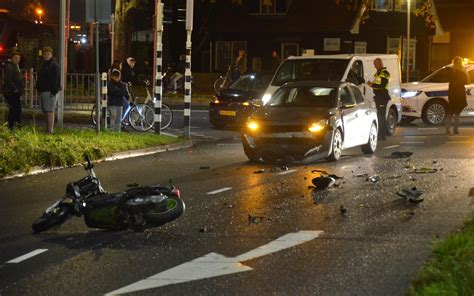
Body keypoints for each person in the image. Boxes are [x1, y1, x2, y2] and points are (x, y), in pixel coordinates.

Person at [36, 46, 61, 134]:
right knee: (46, 110)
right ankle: (48, 129)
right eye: (45, 54)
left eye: (48, 54)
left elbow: (56, 78)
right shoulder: (45, 64)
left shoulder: (53, 65)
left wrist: (53, 91)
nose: (46, 55)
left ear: (51, 54)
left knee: (49, 110)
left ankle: (50, 130)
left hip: (49, 91)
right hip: (44, 90)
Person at [446, 56, 470, 135]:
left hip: (453, 93)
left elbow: (449, 80)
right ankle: (455, 130)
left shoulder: (451, 70)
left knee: (451, 112)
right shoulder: (462, 71)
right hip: (458, 93)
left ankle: (448, 129)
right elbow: (467, 82)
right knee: (456, 112)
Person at [367, 58, 390, 140]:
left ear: (380, 64)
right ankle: (381, 135)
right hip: (379, 97)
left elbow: (383, 86)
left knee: (381, 116)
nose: (374, 66)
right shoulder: (378, 73)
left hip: (382, 97)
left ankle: (382, 135)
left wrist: (372, 85)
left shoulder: (385, 73)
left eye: (375, 64)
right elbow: (378, 84)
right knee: (380, 116)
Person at [3, 51, 25, 129]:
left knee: (16, 109)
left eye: (18, 58)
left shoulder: (15, 66)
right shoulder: (9, 66)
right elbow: (8, 79)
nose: (17, 59)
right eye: (15, 58)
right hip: (11, 92)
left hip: (16, 91)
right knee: (15, 109)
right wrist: (15, 89)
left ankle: (15, 125)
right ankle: (13, 125)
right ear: (12, 58)